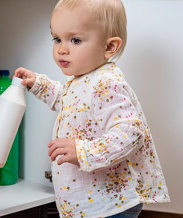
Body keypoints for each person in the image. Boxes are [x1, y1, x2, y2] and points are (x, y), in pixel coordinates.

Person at [14, 0, 170, 217]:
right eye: (57, 38)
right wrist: (38, 83)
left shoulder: (106, 82)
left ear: (109, 47)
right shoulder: (83, 80)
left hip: (109, 204)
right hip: (91, 202)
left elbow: (132, 133)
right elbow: (69, 102)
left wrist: (83, 151)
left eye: (75, 40)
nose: (62, 49)